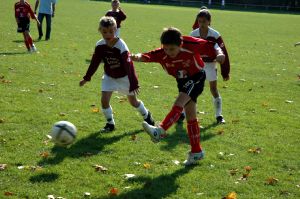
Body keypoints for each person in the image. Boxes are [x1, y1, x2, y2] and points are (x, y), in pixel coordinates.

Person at [131, 27, 225, 165]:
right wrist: (135, 57)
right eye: (166, 49)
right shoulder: (162, 53)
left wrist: (220, 53)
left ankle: (160, 131)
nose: (169, 53)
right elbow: (147, 56)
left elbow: (213, 45)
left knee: (179, 102)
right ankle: (196, 152)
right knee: (191, 117)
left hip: (196, 77)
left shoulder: (190, 44)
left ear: (180, 45)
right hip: (182, 81)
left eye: (172, 49)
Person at [79, 16, 154, 132]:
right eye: (104, 32)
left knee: (133, 102)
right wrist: (86, 78)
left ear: (115, 30)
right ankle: (110, 124)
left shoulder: (121, 46)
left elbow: (129, 65)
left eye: (111, 31)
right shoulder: (100, 45)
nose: (108, 34)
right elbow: (94, 62)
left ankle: (146, 115)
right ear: (100, 31)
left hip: (125, 77)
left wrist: (134, 83)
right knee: (104, 101)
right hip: (109, 76)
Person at [190, 8, 230, 124]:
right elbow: (187, 51)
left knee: (213, 90)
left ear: (209, 21)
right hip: (197, 65)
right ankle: (183, 114)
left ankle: (219, 116)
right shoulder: (193, 34)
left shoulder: (215, 35)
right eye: (199, 21)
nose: (201, 24)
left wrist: (225, 72)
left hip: (210, 65)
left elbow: (223, 52)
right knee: (190, 89)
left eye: (204, 21)